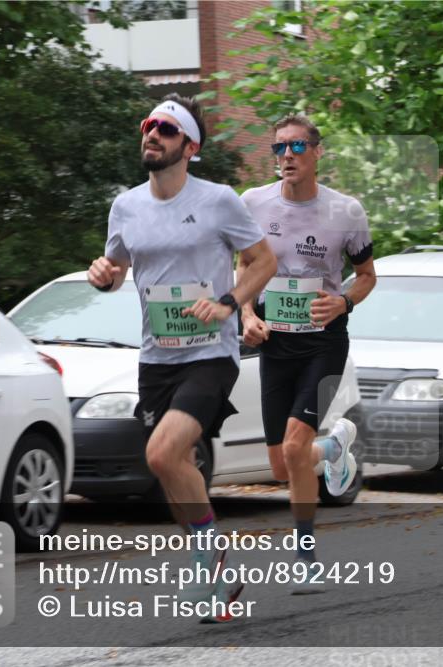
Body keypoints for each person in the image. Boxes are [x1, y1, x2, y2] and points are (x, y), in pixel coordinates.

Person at [87, 95, 277, 612]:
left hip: (211, 352)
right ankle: (218, 575)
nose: (152, 134)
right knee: (175, 470)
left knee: (162, 454)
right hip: (156, 357)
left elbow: (263, 261)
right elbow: (115, 269)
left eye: (167, 129)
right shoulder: (126, 206)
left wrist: (229, 303)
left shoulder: (219, 200)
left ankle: (207, 562)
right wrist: (103, 275)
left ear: (190, 146)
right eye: (148, 125)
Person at [239, 114, 376, 592]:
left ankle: (305, 556)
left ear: (317, 152)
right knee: (282, 465)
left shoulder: (346, 212)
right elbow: (244, 267)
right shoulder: (252, 203)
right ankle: (333, 449)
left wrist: (344, 302)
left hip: (323, 341)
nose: (287, 155)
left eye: (297, 146)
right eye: (279, 147)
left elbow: (367, 276)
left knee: (295, 448)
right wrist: (246, 316)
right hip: (275, 343)